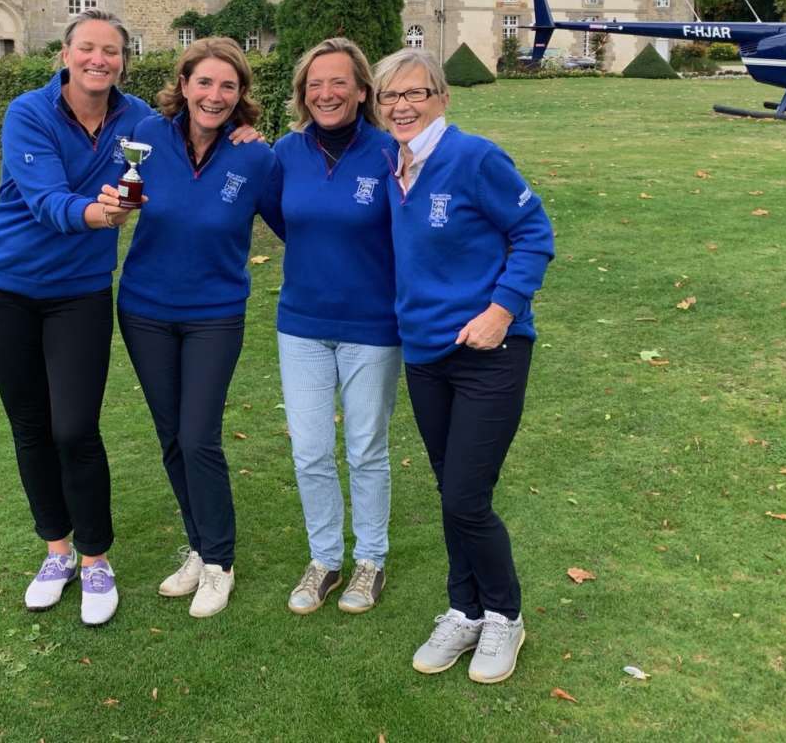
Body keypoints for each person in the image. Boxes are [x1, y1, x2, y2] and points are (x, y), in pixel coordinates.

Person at [371, 47, 554, 684]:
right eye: (389, 96)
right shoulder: (390, 164)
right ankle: (464, 609)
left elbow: (535, 233)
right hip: (425, 355)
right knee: (452, 493)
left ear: (442, 98)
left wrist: (502, 310)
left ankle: (504, 616)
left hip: (489, 354)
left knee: (467, 496)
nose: (401, 106)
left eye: (414, 93)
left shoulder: (474, 157)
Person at [0, 9, 150, 627]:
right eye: (88, 49)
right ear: (65, 54)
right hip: (3, 286)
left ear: (124, 60)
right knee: (31, 426)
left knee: (75, 428)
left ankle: (96, 559)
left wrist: (240, 134)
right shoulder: (29, 112)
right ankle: (57, 551)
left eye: (112, 51)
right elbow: (44, 200)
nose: (100, 59)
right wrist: (100, 217)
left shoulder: (139, 119)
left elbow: (192, 134)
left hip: (80, 292)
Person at [100, 37, 281, 618]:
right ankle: (200, 550)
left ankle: (221, 562)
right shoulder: (145, 137)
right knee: (172, 436)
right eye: (204, 82)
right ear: (183, 84)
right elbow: (104, 193)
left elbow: (294, 223)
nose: (215, 95)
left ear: (241, 95)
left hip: (214, 315)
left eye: (228, 86)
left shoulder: (256, 156)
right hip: (145, 310)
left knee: (199, 436)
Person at [272, 37, 402, 615]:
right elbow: (284, 220)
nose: (326, 93)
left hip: (372, 326)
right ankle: (325, 559)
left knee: (367, 447)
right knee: (311, 450)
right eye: (315, 84)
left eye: (339, 82)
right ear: (303, 94)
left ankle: (370, 559)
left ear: (362, 89)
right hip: (300, 324)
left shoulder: (389, 151)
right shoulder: (284, 152)